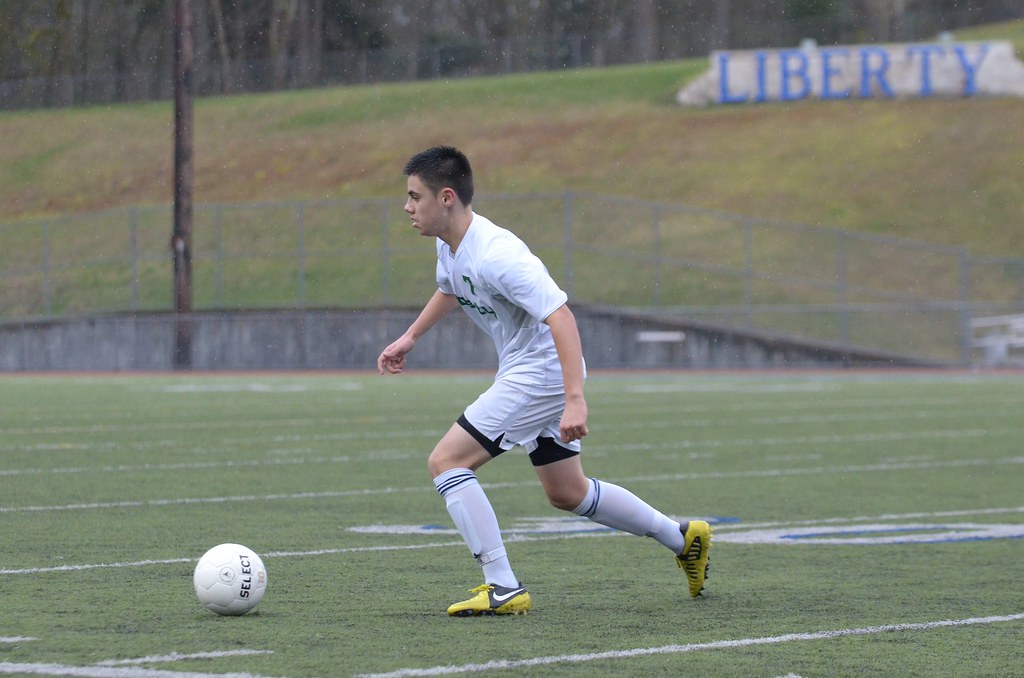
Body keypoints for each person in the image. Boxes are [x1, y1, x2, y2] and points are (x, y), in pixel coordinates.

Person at [377, 146, 710, 616]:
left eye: (415, 197)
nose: (407, 207)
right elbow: (451, 287)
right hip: (529, 370)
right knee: (567, 492)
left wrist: (575, 400)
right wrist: (410, 337)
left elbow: (562, 317)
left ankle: (503, 587)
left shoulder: (499, 255)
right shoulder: (449, 244)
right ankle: (682, 539)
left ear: (446, 197)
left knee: (447, 461)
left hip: (541, 373)